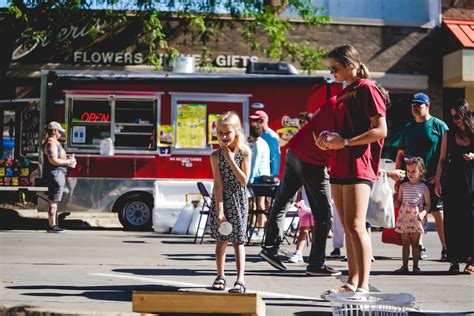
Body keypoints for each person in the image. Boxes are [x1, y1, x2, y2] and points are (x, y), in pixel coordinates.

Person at [315, 44, 387, 296]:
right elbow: (345, 130)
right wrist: (328, 137)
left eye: (334, 68)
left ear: (349, 64)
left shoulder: (367, 88)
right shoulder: (346, 92)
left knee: (356, 225)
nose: (332, 73)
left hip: (359, 164)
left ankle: (363, 286)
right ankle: (352, 282)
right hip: (340, 163)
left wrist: (344, 142)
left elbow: (380, 130)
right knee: (347, 226)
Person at [259, 96, 341, 276]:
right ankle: (316, 264)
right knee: (323, 213)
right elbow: (325, 137)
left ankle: (270, 247)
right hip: (313, 159)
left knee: (282, 201)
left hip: (295, 150)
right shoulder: (342, 106)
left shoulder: (334, 101)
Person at [396, 92, 448, 261]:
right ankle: (420, 247)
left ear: (427, 106)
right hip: (411, 179)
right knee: (413, 212)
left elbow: (446, 154)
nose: (415, 108)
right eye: (413, 105)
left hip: (433, 178)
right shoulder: (408, 128)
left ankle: (446, 248)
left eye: (418, 105)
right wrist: (399, 177)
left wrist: (441, 176)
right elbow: (401, 153)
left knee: (437, 213)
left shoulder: (439, 126)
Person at [209, 111, 251, 293]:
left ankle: (240, 279)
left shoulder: (244, 153)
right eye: (220, 133)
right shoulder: (215, 156)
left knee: (238, 241)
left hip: (239, 199)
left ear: (237, 132)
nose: (224, 137)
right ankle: (220, 275)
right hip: (222, 199)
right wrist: (219, 210)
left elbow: (244, 180)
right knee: (222, 239)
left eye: (227, 132)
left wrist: (231, 160)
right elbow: (218, 184)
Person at [435, 99, 474, 275]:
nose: (455, 120)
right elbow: (442, 160)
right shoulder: (448, 135)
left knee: (470, 221)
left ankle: (471, 260)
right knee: (452, 221)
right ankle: (454, 260)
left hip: (471, 181)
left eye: (457, 116)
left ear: (465, 114)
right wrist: (437, 181)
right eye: (452, 117)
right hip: (453, 181)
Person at [394, 157, 430, 274]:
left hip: (417, 218)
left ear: (421, 172)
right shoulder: (403, 186)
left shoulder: (423, 187)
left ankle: (416, 267)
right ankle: (404, 266)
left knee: (415, 243)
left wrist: (423, 213)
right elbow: (399, 201)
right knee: (405, 243)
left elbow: (428, 204)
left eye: (413, 171)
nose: (410, 174)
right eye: (408, 171)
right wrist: (392, 203)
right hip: (405, 217)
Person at [41, 121, 77, 233]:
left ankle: (53, 225)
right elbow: (53, 160)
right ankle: (52, 226)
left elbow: (57, 157)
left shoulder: (54, 142)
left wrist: (68, 158)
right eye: (60, 131)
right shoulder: (51, 143)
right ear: (55, 131)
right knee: (53, 202)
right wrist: (68, 162)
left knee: (54, 202)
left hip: (57, 174)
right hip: (55, 174)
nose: (61, 133)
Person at [248, 123, 271, 239]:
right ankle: (260, 229)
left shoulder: (257, 144)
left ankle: (257, 228)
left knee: (256, 203)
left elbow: (255, 164)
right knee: (261, 203)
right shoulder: (264, 143)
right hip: (266, 175)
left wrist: (250, 179)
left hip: (258, 177)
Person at [250, 110, 281, 177]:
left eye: (255, 120)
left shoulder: (272, 136)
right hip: (257, 175)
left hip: (266, 176)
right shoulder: (258, 134)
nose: (253, 122)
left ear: (262, 121)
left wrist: (274, 175)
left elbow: (275, 156)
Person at [287, 187, 314, 263]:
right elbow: (300, 192)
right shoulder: (303, 180)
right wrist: (298, 201)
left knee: (315, 231)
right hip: (304, 209)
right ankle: (298, 253)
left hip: (316, 208)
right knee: (303, 230)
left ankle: (315, 253)